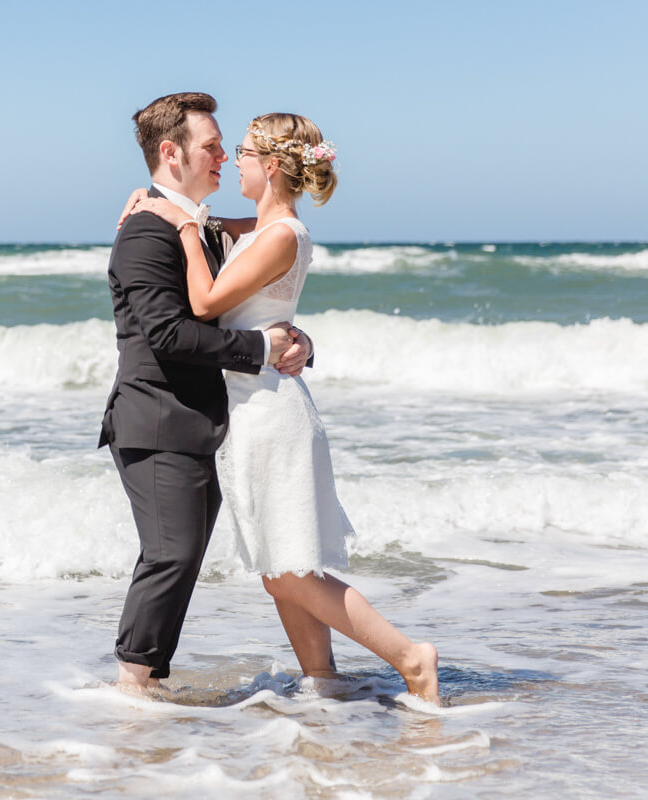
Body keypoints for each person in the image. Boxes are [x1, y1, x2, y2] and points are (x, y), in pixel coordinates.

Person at [125, 113, 440, 704]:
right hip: (253, 407)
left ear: (270, 165)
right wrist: (156, 201)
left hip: (269, 412)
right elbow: (214, 226)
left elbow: (204, 299)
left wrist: (185, 232)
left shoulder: (281, 234)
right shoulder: (262, 228)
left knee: (289, 570)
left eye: (240, 152)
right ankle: (322, 681)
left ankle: (409, 656)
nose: (230, 162)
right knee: (284, 569)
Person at [99, 93, 313, 691]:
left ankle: (146, 684)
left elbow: (248, 288)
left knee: (181, 553)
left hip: (192, 421)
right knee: (171, 554)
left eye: (226, 146)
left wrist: (295, 340)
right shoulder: (146, 230)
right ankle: (131, 690)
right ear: (171, 153)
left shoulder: (194, 225)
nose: (223, 156)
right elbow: (169, 333)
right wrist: (264, 350)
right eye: (211, 146)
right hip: (155, 417)